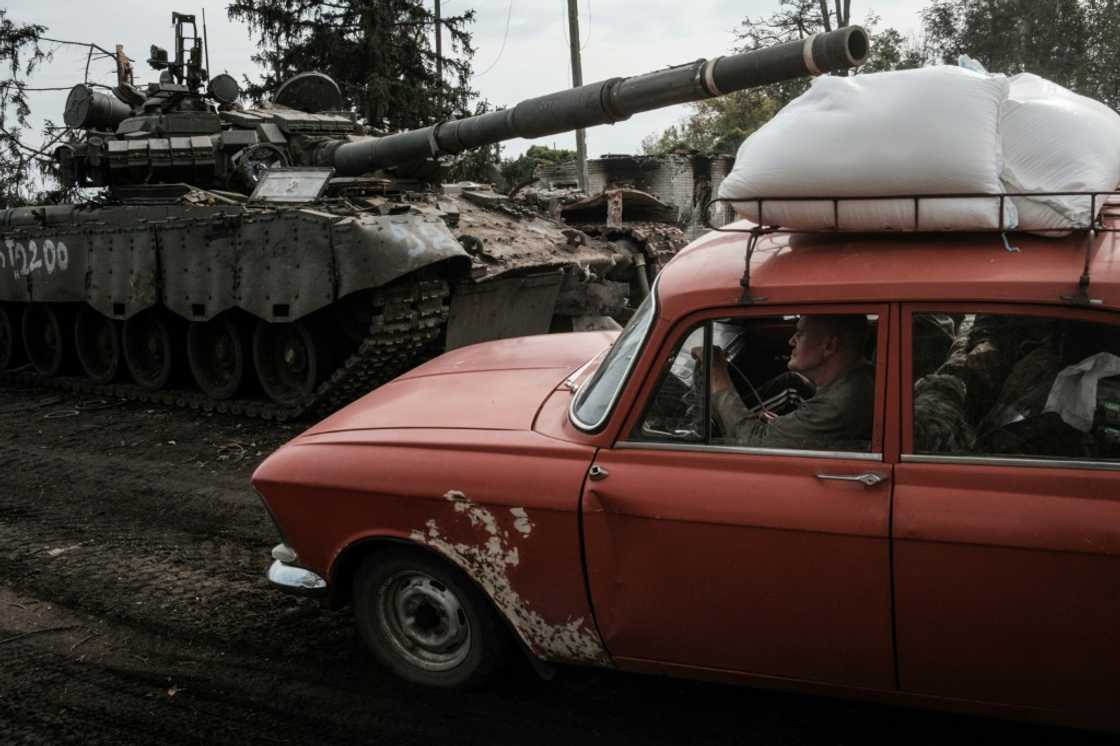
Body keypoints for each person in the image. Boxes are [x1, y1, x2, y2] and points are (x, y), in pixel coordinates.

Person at [708, 315, 875, 450]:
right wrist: (783, 426)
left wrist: (717, 371)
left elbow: (752, 442)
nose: (791, 341)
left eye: (800, 334)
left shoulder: (839, 404)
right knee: (791, 381)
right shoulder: (860, 377)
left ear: (829, 346)